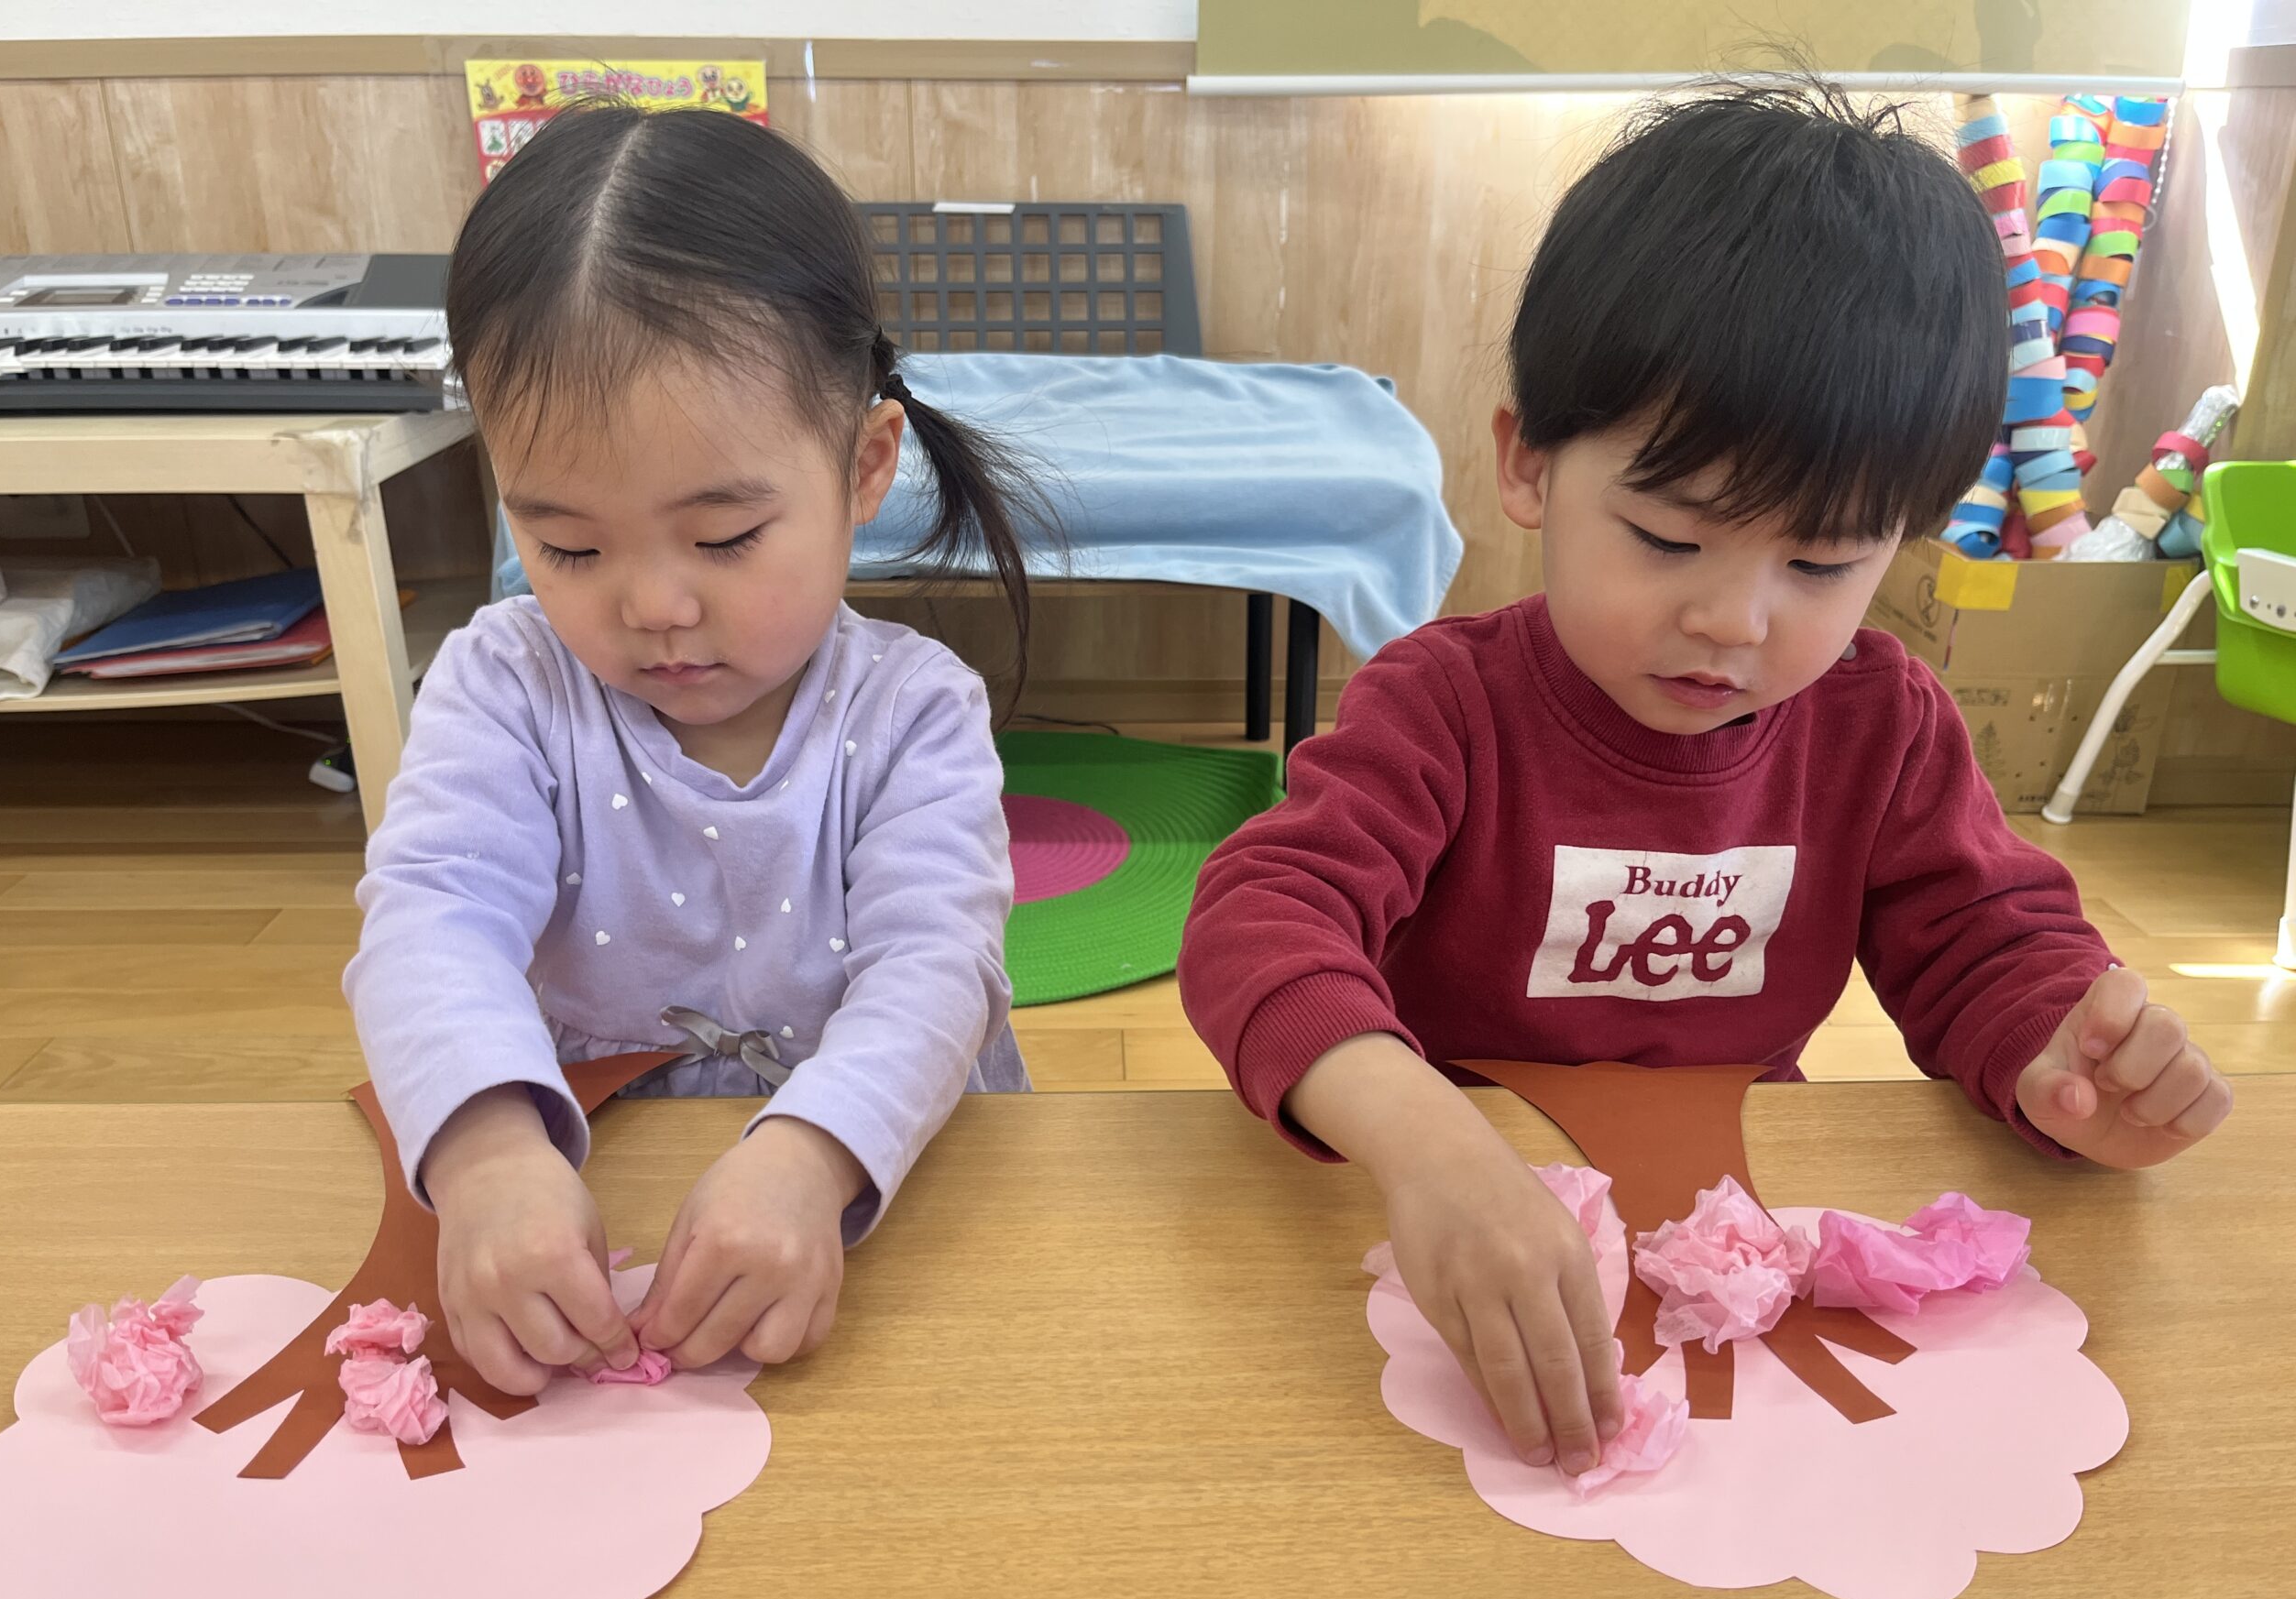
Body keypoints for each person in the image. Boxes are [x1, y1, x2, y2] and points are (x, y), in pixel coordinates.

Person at [1177, 82, 2231, 1482]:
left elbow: (1983, 941)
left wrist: (2060, 1063)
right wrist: (1424, 1140)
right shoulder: (1446, 707)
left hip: (1726, 1231)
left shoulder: (1880, 727)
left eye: (1821, 563)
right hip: (1452, 1219)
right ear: (1529, 465)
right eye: (1670, 540)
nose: (1734, 621)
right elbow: (1261, 917)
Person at [346, 101, 1044, 1396]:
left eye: (723, 539)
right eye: (568, 546)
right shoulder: (507, 684)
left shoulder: (912, 711)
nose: (655, 606)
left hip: (877, 1187)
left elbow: (935, 967)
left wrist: (812, 1156)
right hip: (598, 1188)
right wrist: (489, 1153)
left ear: (864, 464)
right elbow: (432, 919)